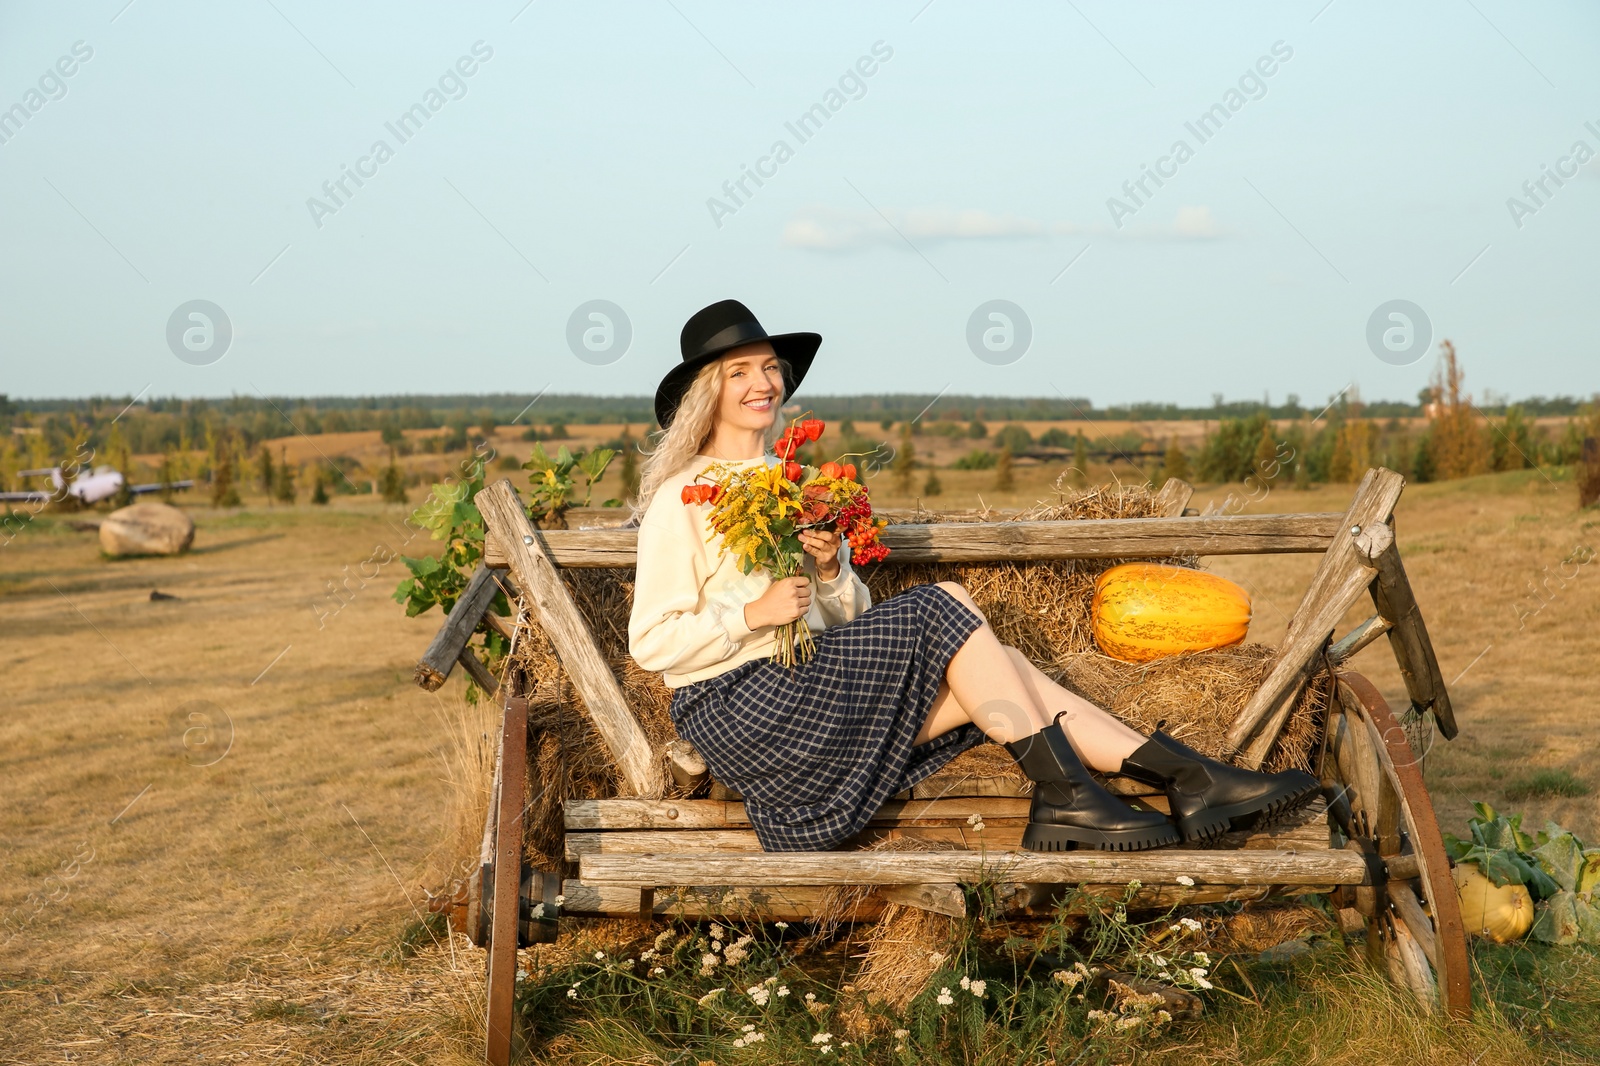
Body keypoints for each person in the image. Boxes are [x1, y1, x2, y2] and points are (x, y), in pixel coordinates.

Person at [627, 299, 1320, 853]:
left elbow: (840, 625)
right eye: (739, 372)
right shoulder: (682, 496)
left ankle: (1184, 776)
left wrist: (832, 570)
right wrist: (751, 616)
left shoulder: (797, 483)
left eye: (769, 367)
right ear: (706, 393)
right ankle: (1068, 796)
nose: (763, 383)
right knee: (943, 606)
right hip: (745, 710)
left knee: (1004, 667)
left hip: (809, 691)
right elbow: (650, 643)